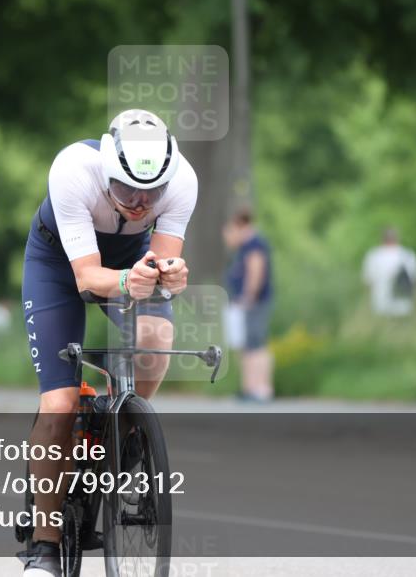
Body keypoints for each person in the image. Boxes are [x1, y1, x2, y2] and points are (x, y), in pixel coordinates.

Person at [18, 109, 197, 576]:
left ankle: (129, 431)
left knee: (156, 338)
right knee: (58, 404)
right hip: (61, 265)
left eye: (151, 193)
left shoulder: (183, 181)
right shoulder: (73, 170)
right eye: (124, 190)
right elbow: (87, 276)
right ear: (107, 173)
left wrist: (171, 275)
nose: (139, 204)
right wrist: (127, 283)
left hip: (130, 260)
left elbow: (165, 268)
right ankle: (44, 546)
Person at [223, 207, 274, 402]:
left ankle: (261, 389)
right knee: (247, 345)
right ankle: (250, 388)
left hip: (254, 302)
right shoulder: (247, 246)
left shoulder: (254, 244)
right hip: (247, 302)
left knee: (256, 344)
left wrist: (249, 295)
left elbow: (256, 270)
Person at [361, 227, 416, 318]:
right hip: (403, 303)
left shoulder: (374, 255)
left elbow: (367, 281)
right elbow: (415, 280)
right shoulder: (407, 255)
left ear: (382, 238)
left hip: (380, 304)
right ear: (397, 238)